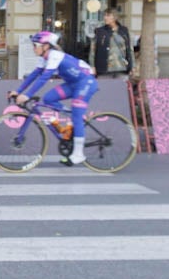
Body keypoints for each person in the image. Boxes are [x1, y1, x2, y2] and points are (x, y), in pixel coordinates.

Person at [12, 30, 98, 166]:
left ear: (46, 46)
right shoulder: (44, 57)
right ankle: (74, 116)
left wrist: (27, 95)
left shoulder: (55, 55)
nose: (33, 48)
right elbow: (34, 75)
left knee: (76, 114)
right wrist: (17, 91)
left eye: (35, 45)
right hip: (72, 84)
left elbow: (44, 78)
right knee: (48, 99)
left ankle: (78, 153)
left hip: (85, 82)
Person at [91, 9, 133, 78]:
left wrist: (132, 66)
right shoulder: (99, 31)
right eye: (104, 15)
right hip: (104, 70)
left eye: (108, 15)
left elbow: (130, 50)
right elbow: (92, 51)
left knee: (120, 88)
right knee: (105, 88)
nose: (105, 18)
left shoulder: (124, 31)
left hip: (122, 69)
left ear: (115, 17)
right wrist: (93, 66)